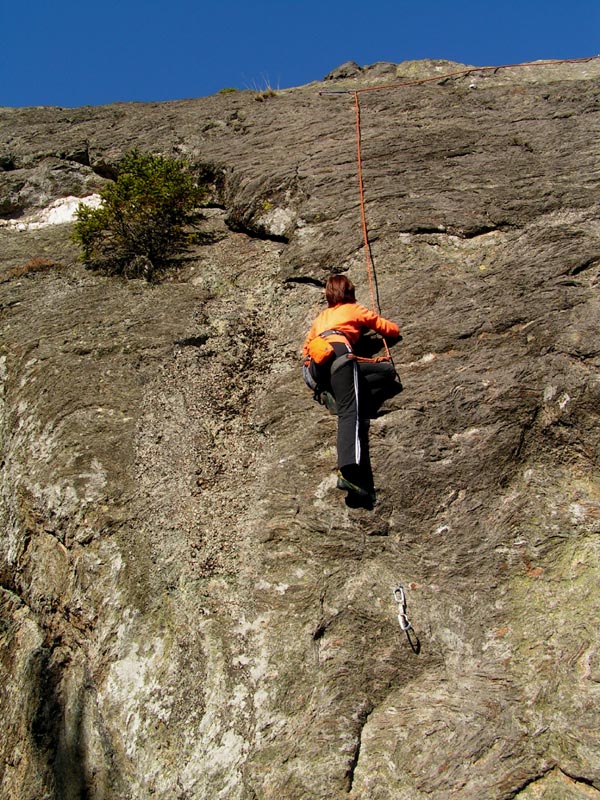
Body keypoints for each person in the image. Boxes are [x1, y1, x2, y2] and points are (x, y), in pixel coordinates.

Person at [303, 274, 401, 501]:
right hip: (340, 356)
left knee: (385, 372)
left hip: (317, 367)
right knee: (351, 412)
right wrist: (363, 329)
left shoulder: (321, 317)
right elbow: (390, 329)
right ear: (349, 292)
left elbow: (306, 349)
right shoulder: (354, 309)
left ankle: (334, 394)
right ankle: (348, 471)